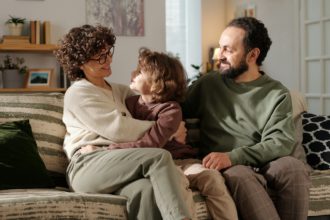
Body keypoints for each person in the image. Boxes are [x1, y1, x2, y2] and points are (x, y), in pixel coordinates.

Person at [54, 24, 195, 220]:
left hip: (120, 163)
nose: (108, 59)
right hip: (87, 165)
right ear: (80, 62)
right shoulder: (79, 92)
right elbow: (119, 129)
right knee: (158, 157)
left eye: (108, 52)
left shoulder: (122, 91)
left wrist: (172, 123)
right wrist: (167, 130)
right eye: (99, 56)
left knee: (146, 190)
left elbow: (154, 107)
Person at [181, 17, 310, 220]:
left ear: (252, 55)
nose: (219, 56)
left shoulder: (276, 93)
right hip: (230, 167)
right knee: (240, 174)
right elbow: (172, 108)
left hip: (264, 161)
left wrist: (233, 156)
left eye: (228, 50)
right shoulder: (208, 84)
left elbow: (280, 142)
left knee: (293, 167)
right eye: (220, 48)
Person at [107, 48, 238, 220]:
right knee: (177, 182)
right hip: (160, 168)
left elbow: (151, 144)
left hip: (183, 161)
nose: (133, 73)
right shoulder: (128, 104)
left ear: (157, 82)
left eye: (140, 72)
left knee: (212, 178)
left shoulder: (171, 109)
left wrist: (112, 149)